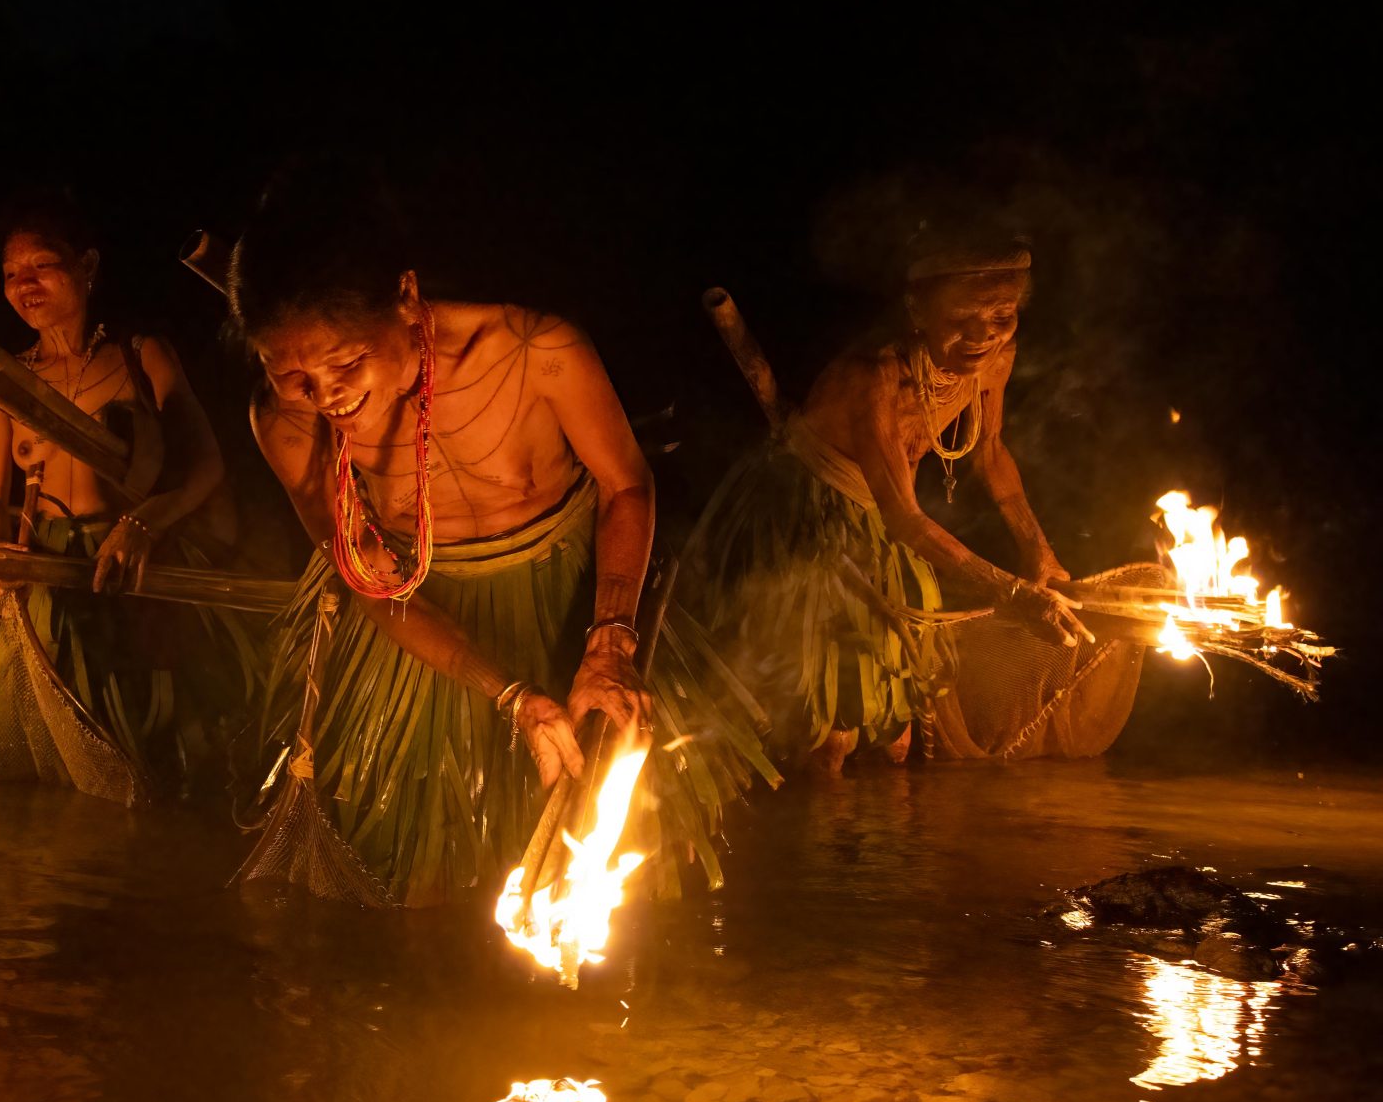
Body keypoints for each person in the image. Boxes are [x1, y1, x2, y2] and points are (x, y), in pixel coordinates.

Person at [230, 172, 771, 906]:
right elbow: (371, 582)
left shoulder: (533, 352)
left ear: (406, 296)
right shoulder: (285, 423)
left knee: (638, 865)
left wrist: (610, 643)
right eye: (292, 375)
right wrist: (511, 696)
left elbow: (626, 485)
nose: (326, 398)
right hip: (416, 623)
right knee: (416, 879)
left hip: (574, 600)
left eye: (346, 364)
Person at [691, 231, 1154, 768]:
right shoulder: (873, 377)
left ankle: (887, 815)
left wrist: (1039, 552)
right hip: (812, 521)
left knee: (899, 720)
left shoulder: (996, 359)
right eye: (962, 318)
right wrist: (1012, 593)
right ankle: (808, 801)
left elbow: (990, 452)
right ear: (918, 312)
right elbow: (906, 520)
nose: (984, 334)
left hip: (886, 522)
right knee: (828, 729)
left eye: (1002, 315)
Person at [0, 194, 254, 786]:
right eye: (11, 273)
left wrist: (143, 524)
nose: (25, 283)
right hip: (46, 578)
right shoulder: (3, 379)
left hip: (132, 568)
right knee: (54, 745)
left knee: (154, 740)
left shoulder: (140, 355)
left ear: (88, 265)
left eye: (42, 265)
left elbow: (205, 466)